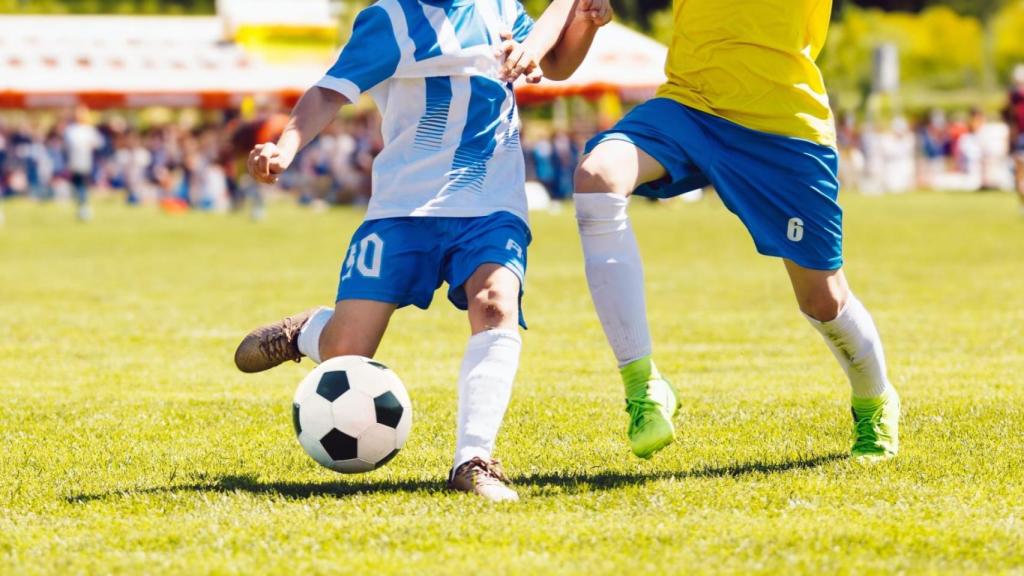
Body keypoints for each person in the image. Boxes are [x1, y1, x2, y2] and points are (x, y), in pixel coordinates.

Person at [231, 0, 611, 501]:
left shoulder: (500, 7)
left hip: (490, 202)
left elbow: (555, 61)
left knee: (496, 302)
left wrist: (584, 20)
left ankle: (474, 459)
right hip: (403, 208)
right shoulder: (388, 19)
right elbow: (328, 92)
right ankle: (309, 332)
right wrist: (285, 147)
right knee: (349, 351)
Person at [562, 0, 900, 461]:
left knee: (824, 301)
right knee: (597, 176)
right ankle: (644, 387)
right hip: (689, 105)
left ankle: (875, 400)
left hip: (782, 123)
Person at [64, 106, 104, 221]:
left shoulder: (88, 129)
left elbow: (99, 143)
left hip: (85, 162)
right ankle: (82, 207)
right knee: (77, 186)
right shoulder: (71, 130)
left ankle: (84, 208)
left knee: (82, 186)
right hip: (74, 163)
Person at [1007, 64, 1024, 213]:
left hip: (1020, 136)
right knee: (1019, 173)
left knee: (1020, 174)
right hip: (1020, 136)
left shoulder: (1014, 95)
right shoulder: (1015, 96)